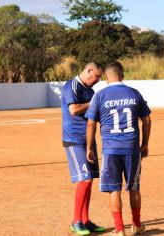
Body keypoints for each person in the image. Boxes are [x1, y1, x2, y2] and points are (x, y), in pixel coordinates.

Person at [85, 61, 152, 236]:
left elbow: (91, 123)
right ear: (122, 75)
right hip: (132, 149)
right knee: (134, 187)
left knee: (114, 189)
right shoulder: (134, 93)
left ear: (106, 77)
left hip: (110, 150)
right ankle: (136, 225)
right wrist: (145, 144)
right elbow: (147, 120)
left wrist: (89, 147)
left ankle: (120, 229)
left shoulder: (99, 96)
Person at [61, 62, 106, 235]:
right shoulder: (71, 86)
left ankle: (85, 220)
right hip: (74, 139)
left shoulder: (91, 91)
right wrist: (92, 102)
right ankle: (76, 221)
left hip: (88, 140)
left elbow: (93, 115)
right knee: (85, 179)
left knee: (90, 179)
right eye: (96, 76)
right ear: (89, 71)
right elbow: (73, 110)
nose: (97, 81)